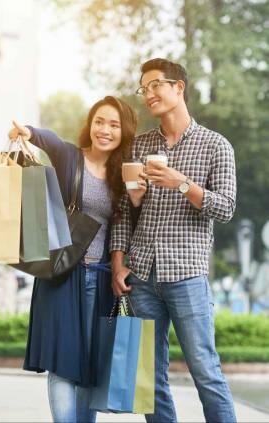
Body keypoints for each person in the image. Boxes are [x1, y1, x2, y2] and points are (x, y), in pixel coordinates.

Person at [110, 58, 237, 422]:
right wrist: (119, 262)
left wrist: (181, 183)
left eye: (155, 86)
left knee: (206, 372)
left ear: (178, 87)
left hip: (187, 275)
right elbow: (123, 209)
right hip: (142, 276)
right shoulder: (140, 146)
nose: (148, 94)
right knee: (149, 378)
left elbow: (226, 208)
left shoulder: (216, 146)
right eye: (143, 88)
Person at [9, 96, 138, 423]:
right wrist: (27, 131)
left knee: (90, 367)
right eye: (99, 121)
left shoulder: (123, 174)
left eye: (113, 124)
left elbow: (128, 223)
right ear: (89, 124)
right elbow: (48, 140)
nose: (105, 130)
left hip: (103, 278)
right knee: (62, 362)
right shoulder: (70, 157)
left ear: (124, 132)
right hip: (62, 276)